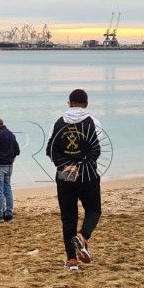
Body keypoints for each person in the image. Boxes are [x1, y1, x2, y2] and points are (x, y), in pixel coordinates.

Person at [45, 89, 104, 271]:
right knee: (93, 210)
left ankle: (72, 260)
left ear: (69, 103)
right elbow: (96, 151)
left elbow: (50, 150)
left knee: (68, 217)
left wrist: (65, 165)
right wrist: (80, 165)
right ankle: (83, 236)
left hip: (65, 177)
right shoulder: (93, 122)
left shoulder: (58, 123)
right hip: (88, 176)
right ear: (86, 104)